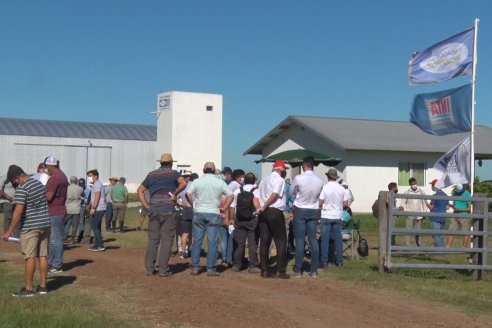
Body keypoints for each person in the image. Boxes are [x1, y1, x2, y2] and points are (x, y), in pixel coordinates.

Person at [2, 165, 51, 297]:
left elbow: (18, 211)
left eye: (12, 182)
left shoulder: (22, 188)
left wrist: (8, 231)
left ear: (16, 178)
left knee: (29, 257)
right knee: (43, 255)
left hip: (30, 227)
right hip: (45, 224)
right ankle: (43, 287)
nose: (13, 184)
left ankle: (28, 289)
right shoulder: (39, 184)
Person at [137, 153, 187, 277]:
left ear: (160, 163)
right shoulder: (174, 174)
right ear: (171, 163)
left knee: (153, 240)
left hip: (154, 210)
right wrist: (175, 194)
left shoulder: (151, 174)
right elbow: (183, 184)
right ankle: (163, 269)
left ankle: (149, 268)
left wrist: (147, 205)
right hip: (168, 210)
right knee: (167, 240)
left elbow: (140, 190)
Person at [187, 162, 233, 277]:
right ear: (213, 171)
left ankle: (195, 267)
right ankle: (211, 268)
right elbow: (231, 195)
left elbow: (188, 194)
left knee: (197, 241)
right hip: (213, 212)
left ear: (203, 170)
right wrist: (225, 207)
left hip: (199, 212)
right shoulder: (220, 182)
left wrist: (193, 204)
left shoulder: (197, 181)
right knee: (212, 242)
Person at [255, 160, 290, 279]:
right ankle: (280, 270)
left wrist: (261, 207)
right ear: (279, 169)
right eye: (284, 169)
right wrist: (265, 205)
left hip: (264, 212)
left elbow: (257, 196)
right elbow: (275, 194)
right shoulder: (279, 180)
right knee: (281, 240)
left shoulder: (264, 179)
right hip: (274, 211)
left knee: (265, 241)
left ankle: (264, 270)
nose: (285, 171)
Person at [290, 156, 323, 278]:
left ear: (304, 166)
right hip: (313, 210)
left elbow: (292, 192)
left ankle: (298, 270)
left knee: (299, 240)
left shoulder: (298, 178)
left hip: (300, 209)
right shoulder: (320, 180)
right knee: (313, 239)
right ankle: (313, 270)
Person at [230, 172, 261, 273]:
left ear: (244, 180)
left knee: (240, 243)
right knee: (252, 242)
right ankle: (252, 265)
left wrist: (231, 218)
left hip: (239, 219)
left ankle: (237, 265)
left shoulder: (237, 190)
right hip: (252, 219)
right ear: (253, 180)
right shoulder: (257, 191)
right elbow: (258, 206)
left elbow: (232, 206)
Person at [319, 168, 349, 268]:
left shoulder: (325, 187)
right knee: (338, 239)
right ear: (336, 177)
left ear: (327, 176)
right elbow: (345, 204)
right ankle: (339, 261)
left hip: (326, 215)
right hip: (337, 216)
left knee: (325, 240)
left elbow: (320, 202)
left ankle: (324, 262)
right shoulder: (342, 189)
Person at [44, 156, 68, 274]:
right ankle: (52, 262)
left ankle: (56, 264)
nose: (46, 169)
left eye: (47, 167)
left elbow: (49, 197)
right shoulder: (62, 175)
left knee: (55, 239)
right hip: (59, 209)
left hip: (54, 210)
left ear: (50, 166)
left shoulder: (54, 178)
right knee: (54, 239)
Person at [176, 173, 198, 258]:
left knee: (184, 233)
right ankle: (191, 250)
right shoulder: (195, 186)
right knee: (194, 233)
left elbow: (175, 197)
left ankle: (183, 252)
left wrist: (181, 204)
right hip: (193, 209)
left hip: (185, 209)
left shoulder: (183, 186)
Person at [86, 169, 107, 252]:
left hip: (99, 208)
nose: (89, 178)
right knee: (97, 226)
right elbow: (94, 197)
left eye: (90, 176)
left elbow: (97, 196)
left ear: (96, 176)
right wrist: (89, 206)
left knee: (94, 226)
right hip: (98, 207)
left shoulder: (97, 184)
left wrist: (93, 208)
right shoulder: (96, 184)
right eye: (88, 176)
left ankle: (100, 245)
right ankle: (97, 243)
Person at [402, 177, 426, 247]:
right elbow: (403, 202)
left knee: (418, 231)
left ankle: (419, 244)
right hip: (409, 214)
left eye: (415, 183)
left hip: (418, 214)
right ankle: (407, 245)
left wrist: (424, 213)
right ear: (410, 184)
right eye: (412, 184)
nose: (414, 185)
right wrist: (406, 212)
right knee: (408, 230)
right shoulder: (407, 192)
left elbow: (424, 202)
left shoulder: (421, 191)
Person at [447, 184, 472, 248]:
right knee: (451, 230)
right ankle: (448, 246)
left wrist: (460, 209)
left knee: (465, 232)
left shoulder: (467, 194)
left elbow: (469, 208)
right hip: (455, 214)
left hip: (464, 215)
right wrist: (451, 206)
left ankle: (464, 247)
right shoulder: (455, 193)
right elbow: (455, 203)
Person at [426, 179, 449, 248]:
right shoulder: (446, 195)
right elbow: (447, 207)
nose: (432, 187)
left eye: (432, 185)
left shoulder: (434, 196)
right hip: (443, 218)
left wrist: (425, 201)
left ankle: (439, 250)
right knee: (441, 235)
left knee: (436, 235)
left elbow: (431, 207)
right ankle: (442, 248)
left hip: (435, 218)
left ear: (435, 186)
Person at [64, 176, 83, 244]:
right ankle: (72, 239)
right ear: (76, 181)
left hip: (68, 208)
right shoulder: (80, 188)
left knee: (65, 223)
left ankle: (63, 237)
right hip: (76, 208)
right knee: (75, 225)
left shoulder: (66, 188)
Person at [0, 173, 20, 238]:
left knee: (16, 217)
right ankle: (6, 233)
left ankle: (16, 235)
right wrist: (8, 197)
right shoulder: (4, 178)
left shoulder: (17, 177)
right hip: (6, 201)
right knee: (8, 216)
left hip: (16, 200)